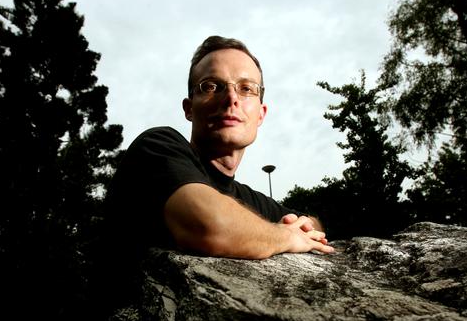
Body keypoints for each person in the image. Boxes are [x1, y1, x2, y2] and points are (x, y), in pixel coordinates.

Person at [104, 35, 333, 261]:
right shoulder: (156, 148)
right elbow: (211, 226)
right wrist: (284, 235)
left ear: (261, 114)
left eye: (246, 89)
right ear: (189, 108)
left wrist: (304, 227)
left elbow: (311, 223)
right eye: (212, 86)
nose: (231, 97)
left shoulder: (246, 198)